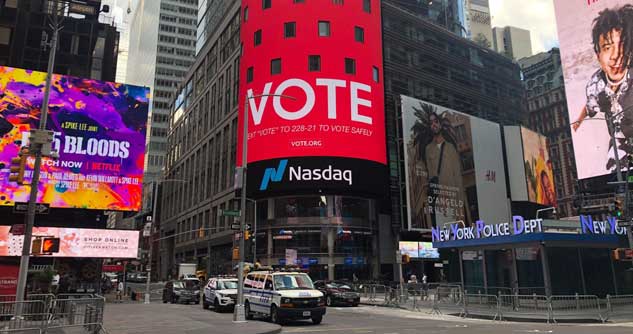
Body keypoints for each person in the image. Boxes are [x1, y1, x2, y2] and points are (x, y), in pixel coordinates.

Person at [573, 5, 633, 172]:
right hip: (621, 145)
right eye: (607, 47)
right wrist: (577, 122)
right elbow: (589, 106)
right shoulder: (595, 85)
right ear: (598, 55)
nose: (615, 55)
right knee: (620, 181)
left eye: (621, 44)